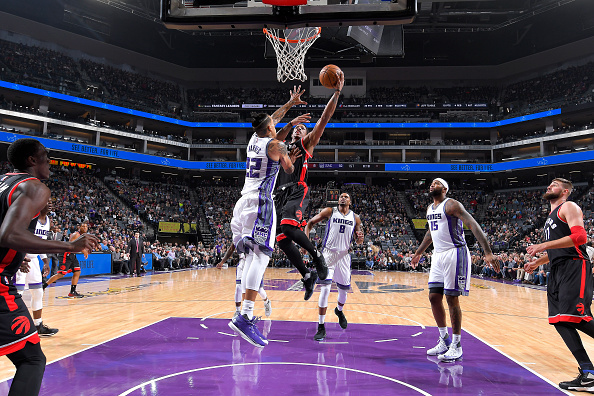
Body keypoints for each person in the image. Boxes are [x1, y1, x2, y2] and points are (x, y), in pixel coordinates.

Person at [0, 138, 98, 396]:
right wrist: (71, 246)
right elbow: (8, 234)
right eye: (46, 155)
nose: (50, 160)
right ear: (32, 160)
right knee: (32, 359)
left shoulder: (2, 182)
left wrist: (14, 254)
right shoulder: (34, 187)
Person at [228, 86, 303, 348]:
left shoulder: (255, 139)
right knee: (261, 256)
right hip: (261, 203)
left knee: (250, 257)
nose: (276, 122)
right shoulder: (276, 144)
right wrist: (291, 156)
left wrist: (290, 106)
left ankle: (243, 314)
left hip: (242, 203)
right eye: (274, 122)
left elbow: (274, 123)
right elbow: (290, 168)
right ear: (270, 127)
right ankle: (246, 315)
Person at [274, 73, 345, 300]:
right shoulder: (281, 146)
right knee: (281, 240)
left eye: (302, 128)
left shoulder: (306, 144)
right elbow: (274, 133)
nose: (298, 130)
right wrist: (290, 119)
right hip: (279, 195)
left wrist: (336, 93)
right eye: (297, 128)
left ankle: (317, 258)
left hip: (298, 189)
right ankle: (306, 275)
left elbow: (324, 119)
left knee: (287, 227)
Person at [411, 178, 496, 362]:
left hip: (455, 252)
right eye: (431, 184)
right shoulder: (429, 209)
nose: (432, 185)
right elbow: (429, 233)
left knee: (451, 298)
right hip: (438, 255)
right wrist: (418, 253)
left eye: (436, 183)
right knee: (434, 297)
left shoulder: (451, 205)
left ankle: (456, 344)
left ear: (445, 188)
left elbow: (473, 224)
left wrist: (487, 252)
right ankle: (444, 339)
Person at [524, 178, 594, 392]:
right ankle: (588, 373)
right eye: (549, 184)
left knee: (578, 318)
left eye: (554, 185)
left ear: (565, 191)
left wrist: (543, 245)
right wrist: (539, 261)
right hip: (557, 269)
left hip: (575, 267)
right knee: (560, 320)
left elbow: (580, 237)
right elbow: (558, 248)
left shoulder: (569, 206)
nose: (548, 187)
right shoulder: (550, 218)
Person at [303, 193, 364, 341]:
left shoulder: (355, 218)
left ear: (350, 201)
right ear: (338, 200)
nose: (343, 197)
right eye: (341, 196)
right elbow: (309, 223)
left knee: (344, 291)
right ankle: (321, 326)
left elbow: (359, 239)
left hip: (344, 256)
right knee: (325, 289)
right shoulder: (330, 211)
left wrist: (360, 239)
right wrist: (306, 243)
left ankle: (339, 310)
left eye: (346, 196)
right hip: (328, 254)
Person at [14, 200, 58, 337]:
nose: (50, 204)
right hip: (21, 258)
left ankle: (38, 325)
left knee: (38, 292)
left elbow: (40, 243)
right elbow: (16, 236)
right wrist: (18, 257)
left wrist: (45, 261)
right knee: (17, 294)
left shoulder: (48, 220)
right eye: (47, 202)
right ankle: (12, 328)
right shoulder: (30, 217)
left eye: (51, 202)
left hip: (33, 260)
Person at [217, 244, 271, 317]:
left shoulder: (254, 234)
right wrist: (222, 262)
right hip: (243, 262)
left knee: (259, 290)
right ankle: (238, 311)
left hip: (255, 262)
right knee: (239, 287)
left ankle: (266, 301)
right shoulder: (238, 235)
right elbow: (231, 248)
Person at [44, 223, 91, 298]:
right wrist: (83, 250)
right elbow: (71, 246)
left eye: (86, 226)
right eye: (83, 226)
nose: (85, 227)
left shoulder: (83, 236)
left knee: (77, 271)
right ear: (79, 227)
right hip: (66, 254)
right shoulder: (76, 234)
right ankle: (43, 286)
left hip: (72, 255)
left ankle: (72, 292)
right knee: (61, 274)